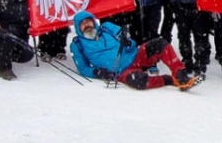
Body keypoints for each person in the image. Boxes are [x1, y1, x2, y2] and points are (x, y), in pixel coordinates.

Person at [70, 11, 199, 90]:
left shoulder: (107, 29)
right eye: (83, 24)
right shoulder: (77, 45)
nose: (87, 25)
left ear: (94, 22)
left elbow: (131, 43)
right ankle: (169, 80)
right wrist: (96, 72)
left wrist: (127, 43)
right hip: (121, 71)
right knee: (139, 81)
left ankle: (180, 74)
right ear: (78, 27)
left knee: (159, 43)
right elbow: (82, 68)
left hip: (135, 56)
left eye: (89, 21)